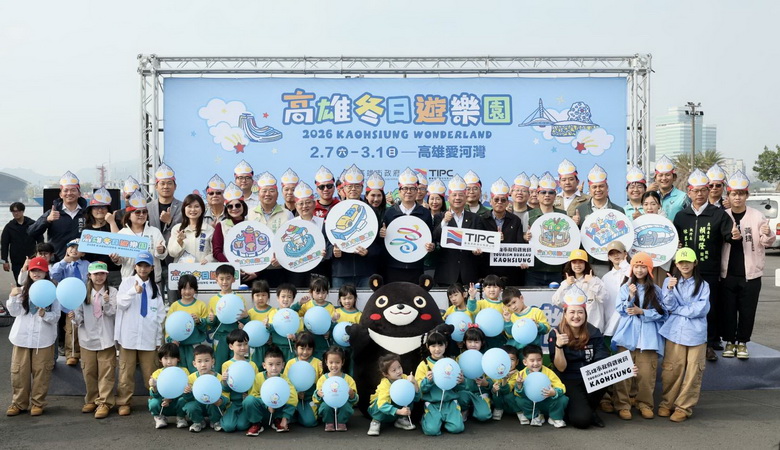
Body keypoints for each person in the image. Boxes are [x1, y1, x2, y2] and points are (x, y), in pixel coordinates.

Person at [673, 169, 733, 361]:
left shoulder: (719, 215)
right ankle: (683, 342)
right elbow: (674, 240)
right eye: (695, 190)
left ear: (708, 191)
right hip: (685, 270)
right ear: (689, 192)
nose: (699, 194)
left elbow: (729, 236)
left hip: (709, 269)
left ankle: (708, 344)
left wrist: (735, 236)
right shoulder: (681, 216)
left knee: (709, 308)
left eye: (703, 190)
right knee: (684, 305)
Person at [720, 171, 775, 359]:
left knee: (747, 310)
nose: (737, 197)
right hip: (727, 272)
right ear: (728, 195)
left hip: (751, 273)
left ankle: (742, 342)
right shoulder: (723, 216)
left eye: (741, 194)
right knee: (728, 309)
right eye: (734, 194)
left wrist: (767, 233)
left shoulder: (757, 216)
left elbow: (766, 242)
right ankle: (729, 341)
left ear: (747, 195)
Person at [611, 252, 666, 420]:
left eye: (643, 266)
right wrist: (631, 297)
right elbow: (622, 310)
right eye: (636, 266)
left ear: (649, 269)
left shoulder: (656, 290)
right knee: (623, 373)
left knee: (646, 375)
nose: (639, 270)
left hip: (649, 339)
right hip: (627, 336)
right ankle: (623, 405)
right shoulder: (625, 287)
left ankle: (645, 404)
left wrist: (642, 311)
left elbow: (663, 314)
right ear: (632, 268)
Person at [659, 248, 710, 423]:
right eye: (681, 262)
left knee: (693, 372)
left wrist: (678, 310)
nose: (684, 265)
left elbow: (701, 309)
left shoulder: (703, 285)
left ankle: (683, 407)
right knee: (671, 369)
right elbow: (667, 305)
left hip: (696, 333)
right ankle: (667, 403)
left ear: (695, 263)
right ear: (676, 264)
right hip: (675, 331)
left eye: (688, 261)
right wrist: (670, 289)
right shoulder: (669, 281)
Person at [548, 285, 610, 429]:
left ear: (585, 314)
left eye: (580, 312)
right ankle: (583, 411)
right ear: (565, 314)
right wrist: (558, 346)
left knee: (607, 376)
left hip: (589, 376)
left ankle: (589, 410)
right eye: (572, 312)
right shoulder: (556, 333)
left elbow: (602, 358)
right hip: (568, 378)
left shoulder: (594, 332)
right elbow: (561, 368)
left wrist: (623, 369)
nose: (576, 316)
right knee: (581, 421)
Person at [5, 257, 61, 417]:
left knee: (41, 372)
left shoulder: (53, 292)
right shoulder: (23, 290)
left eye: (40, 271)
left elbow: (56, 317)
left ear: (46, 272)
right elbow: (15, 313)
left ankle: (38, 403)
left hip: (43, 339)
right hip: (22, 338)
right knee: (19, 372)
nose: (37, 273)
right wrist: (12, 296)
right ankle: (18, 403)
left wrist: (45, 314)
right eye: (33, 270)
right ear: (29, 273)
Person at [115, 251, 166, 416]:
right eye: (140, 265)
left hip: (148, 337)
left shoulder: (155, 288)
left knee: (151, 372)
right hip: (128, 337)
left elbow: (160, 316)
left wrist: (158, 340)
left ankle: (156, 400)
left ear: (152, 268)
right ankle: (124, 402)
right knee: (125, 372)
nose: (143, 269)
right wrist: (133, 291)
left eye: (146, 266)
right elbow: (120, 304)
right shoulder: (127, 283)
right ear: (135, 266)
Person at [70, 261, 117, 419]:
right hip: (87, 339)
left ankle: (104, 402)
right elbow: (79, 318)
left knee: (106, 372)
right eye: (96, 274)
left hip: (106, 338)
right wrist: (74, 317)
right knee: (89, 371)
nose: (99, 277)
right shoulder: (82, 293)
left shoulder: (112, 291)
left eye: (102, 274)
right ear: (89, 275)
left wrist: (106, 302)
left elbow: (112, 313)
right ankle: (91, 399)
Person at [382, 168, 434, 283]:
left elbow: (430, 237)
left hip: (416, 266)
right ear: (399, 191)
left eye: (412, 188)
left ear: (417, 191)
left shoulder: (425, 213)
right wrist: (382, 234)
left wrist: (431, 246)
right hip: (393, 266)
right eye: (405, 188)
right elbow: (383, 240)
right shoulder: (389, 212)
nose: (408, 192)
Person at [432, 174, 484, 287]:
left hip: (469, 273)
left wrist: (478, 251)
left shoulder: (475, 218)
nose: (457, 198)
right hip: (447, 273)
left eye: (461, 195)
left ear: (465, 197)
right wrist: (444, 222)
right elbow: (434, 237)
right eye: (454, 195)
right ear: (448, 198)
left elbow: (480, 242)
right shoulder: (439, 217)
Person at [575, 164, 626, 277]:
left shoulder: (618, 210)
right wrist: (575, 225)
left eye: (601, 186)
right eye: (594, 187)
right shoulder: (580, 210)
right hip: (589, 262)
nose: (598, 190)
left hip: (612, 263)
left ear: (607, 188)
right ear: (589, 189)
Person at [415, 331, 465, 436]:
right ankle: (428, 419)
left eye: (440, 345)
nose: (437, 349)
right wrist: (427, 381)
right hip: (432, 403)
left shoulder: (451, 363)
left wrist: (461, 381)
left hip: (450, 402)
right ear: (428, 346)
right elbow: (420, 389)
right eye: (433, 346)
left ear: (445, 345)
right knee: (431, 431)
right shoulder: (424, 365)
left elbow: (459, 387)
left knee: (457, 428)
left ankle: (445, 419)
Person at [28, 171, 87, 259]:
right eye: (66, 190)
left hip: (81, 261)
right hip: (57, 261)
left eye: (73, 190)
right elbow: (31, 232)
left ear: (79, 194)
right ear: (61, 194)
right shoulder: (52, 213)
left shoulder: (87, 214)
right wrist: (47, 220)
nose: (69, 193)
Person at [248, 171, 293, 286]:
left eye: (272, 191)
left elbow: (291, 240)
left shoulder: (287, 214)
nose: (267, 194)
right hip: (255, 268)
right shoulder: (249, 214)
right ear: (258, 194)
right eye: (264, 191)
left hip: (279, 268)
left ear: (277, 194)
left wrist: (282, 258)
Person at [243, 344, 298, 435]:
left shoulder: (285, 379)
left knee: (289, 398)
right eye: (270, 364)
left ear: (283, 365)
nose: (274, 368)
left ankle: (278, 420)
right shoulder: (258, 377)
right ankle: (256, 423)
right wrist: (267, 404)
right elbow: (253, 394)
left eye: (278, 364)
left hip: (278, 410)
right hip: (264, 410)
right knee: (249, 400)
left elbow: (293, 397)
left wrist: (285, 418)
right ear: (264, 365)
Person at [117, 190, 168, 287]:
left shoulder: (154, 231)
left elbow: (162, 255)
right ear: (129, 215)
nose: (141, 215)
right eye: (137, 212)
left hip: (153, 281)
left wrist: (161, 250)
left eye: (144, 212)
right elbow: (120, 261)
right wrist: (116, 259)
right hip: (129, 281)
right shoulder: (122, 234)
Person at [50, 238, 88, 366]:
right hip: (69, 302)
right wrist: (63, 262)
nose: (74, 250)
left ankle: (85, 352)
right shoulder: (63, 265)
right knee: (71, 328)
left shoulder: (87, 264)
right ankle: (72, 354)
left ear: (83, 253)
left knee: (86, 327)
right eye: (71, 247)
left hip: (85, 301)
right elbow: (54, 275)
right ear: (67, 250)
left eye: (78, 248)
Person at [524, 172, 566, 286]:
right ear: (537, 195)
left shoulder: (563, 215)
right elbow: (521, 239)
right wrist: (525, 237)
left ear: (555, 196)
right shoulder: (528, 215)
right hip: (534, 269)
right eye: (543, 192)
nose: (547, 195)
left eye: (551, 192)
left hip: (556, 269)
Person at [481, 178, 525, 285]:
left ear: (507, 203)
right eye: (496, 200)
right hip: (487, 270)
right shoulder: (481, 219)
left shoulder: (515, 220)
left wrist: (523, 260)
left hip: (510, 271)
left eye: (503, 200)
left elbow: (520, 244)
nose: (499, 202)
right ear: (490, 201)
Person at [552, 249, 607, 332]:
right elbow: (556, 301)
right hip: (571, 329)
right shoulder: (567, 282)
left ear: (586, 264)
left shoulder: (595, 280)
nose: (577, 265)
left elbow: (604, 298)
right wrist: (566, 284)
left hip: (592, 329)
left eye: (581, 262)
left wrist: (592, 282)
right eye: (574, 262)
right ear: (570, 264)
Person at [211, 183, 256, 285]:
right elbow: (217, 252)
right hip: (229, 275)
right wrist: (233, 267)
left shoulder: (252, 224)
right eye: (230, 206)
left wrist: (256, 272)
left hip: (252, 271)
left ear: (243, 206)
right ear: (226, 209)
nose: (234, 208)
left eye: (238, 205)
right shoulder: (221, 225)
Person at [206, 264, 248, 370]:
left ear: (233, 279)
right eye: (221, 279)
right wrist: (211, 320)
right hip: (219, 337)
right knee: (219, 363)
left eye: (228, 278)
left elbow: (244, 318)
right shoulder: (213, 299)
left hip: (236, 337)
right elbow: (210, 322)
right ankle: (220, 380)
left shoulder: (239, 298)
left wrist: (245, 318)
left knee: (236, 363)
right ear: (216, 279)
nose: (224, 282)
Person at [515, 344, 569, 428]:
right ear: (525, 362)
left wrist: (554, 392)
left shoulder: (548, 372)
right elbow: (518, 394)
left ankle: (555, 417)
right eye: (532, 361)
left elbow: (560, 386)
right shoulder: (521, 374)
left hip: (547, 401)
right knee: (519, 400)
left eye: (539, 360)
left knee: (563, 399)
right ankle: (535, 416)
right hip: (532, 403)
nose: (536, 363)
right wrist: (519, 384)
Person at [367, 353, 420, 436]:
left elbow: (416, 398)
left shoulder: (405, 378)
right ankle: (376, 421)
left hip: (395, 413)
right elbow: (382, 405)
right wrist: (400, 411)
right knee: (379, 402)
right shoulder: (385, 384)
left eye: (399, 367)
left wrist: (415, 383)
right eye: (394, 370)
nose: (398, 371)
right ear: (385, 374)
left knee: (407, 394)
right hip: (380, 410)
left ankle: (401, 419)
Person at [165, 274, 208, 373]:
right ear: (179, 289)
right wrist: (171, 340)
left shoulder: (200, 305)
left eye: (190, 288)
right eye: (184, 288)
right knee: (180, 372)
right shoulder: (175, 306)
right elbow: (168, 326)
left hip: (194, 346)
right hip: (178, 347)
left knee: (195, 371)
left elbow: (206, 328)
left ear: (195, 289)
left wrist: (199, 321)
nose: (187, 292)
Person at [79, 188, 122, 287]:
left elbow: (120, 243)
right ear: (91, 210)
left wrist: (112, 222)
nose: (100, 210)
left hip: (114, 271)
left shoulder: (117, 224)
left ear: (108, 209)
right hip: (94, 273)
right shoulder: (86, 229)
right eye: (96, 207)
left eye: (103, 207)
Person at [181, 344, 228, 432]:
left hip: (213, 405)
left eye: (207, 361)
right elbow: (188, 399)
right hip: (198, 406)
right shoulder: (190, 378)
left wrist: (221, 400)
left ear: (212, 361)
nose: (203, 365)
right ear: (194, 364)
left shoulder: (219, 378)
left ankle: (215, 421)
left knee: (215, 402)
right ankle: (198, 422)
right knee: (190, 406)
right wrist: (187, 393)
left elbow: (226, 395)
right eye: (199, 361)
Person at [220, 329, 259, 433]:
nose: (243, 347)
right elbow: (225, 389)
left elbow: (256, 385)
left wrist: (249, 395)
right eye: (239, 344)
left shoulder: (252, 365)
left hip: (246, 403)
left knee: (242, 426)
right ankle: (225, 415)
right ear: (231, 346)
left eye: (245, 344)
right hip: (233, 403)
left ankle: (251, 418)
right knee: (228, 427)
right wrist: (224, 381)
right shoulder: (226, 365)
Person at [313, 346, 359, 431]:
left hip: (343, 404)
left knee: (346, 407)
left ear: (342, 362)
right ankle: (329, 422)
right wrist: (318, 394)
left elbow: (355, 399)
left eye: (337, 362)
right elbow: (316, 397)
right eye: (331, 362)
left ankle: (341, 422)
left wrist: (352, 395)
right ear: (326, 362)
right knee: (325, 407)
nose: (334, 365)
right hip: (328, 403)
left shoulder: (348, 379)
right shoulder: (323, 379)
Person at [1, 202, 43, 288]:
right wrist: (5, 261)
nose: (16, 213)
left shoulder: (32, 224)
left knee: (35, 281)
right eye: (13, 211)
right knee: (20, 282)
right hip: (16, 260)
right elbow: (4, 244)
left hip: (32, 257)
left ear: (23, 211)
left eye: (18, 211)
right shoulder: (9, 227)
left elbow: (40, 241)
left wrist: (41, 255)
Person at [148, 343, 189, 429]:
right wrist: (154, 386)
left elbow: (186, 390)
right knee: (153, 403)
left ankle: (180, 417)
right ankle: (159, 417)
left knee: (183, 400)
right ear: (160, 359)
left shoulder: (183, 371)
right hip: (163, 401)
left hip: (177, 401)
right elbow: (154, 395)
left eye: (172, 358)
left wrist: (170, 399)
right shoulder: (157, 373)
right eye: (166, 358)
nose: (169, 362)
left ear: (178, 358)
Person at [167, 193, 216, 266]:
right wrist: (179, 240)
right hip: (182, 270)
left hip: (203, 269)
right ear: (184, 209)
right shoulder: (177, 229)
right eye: (189, 206)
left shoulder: (209, 230)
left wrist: (208, 259)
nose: (193, 210)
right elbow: (172, 253)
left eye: (196, 206)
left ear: (202, 209)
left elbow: (215, 252)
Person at [456, 327, 492, 422]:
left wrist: (486, 384)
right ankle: (465, 409)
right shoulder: (460, 358)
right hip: (464, 392)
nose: (473, 345)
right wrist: (462, 382)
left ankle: (477, 408)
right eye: (470, 341)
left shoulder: (485, 359)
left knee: (484, 416)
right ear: (465, 342)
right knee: (461, 397)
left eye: (476, 342)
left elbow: (492, 379)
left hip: (480, 393)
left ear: (482, 343)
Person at [296, 277, 335, 359]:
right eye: (317, 292)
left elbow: (333, 323)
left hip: (323, 344)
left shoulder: (330, 307)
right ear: (311, 292)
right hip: (308, 343)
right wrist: (299, 304)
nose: (321, 296)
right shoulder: (307, 304)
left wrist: (329, 332)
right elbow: (295, 314)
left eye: (323, 292)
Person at [146, 163, 183, 247]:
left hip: (175, 251)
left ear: (175, 186)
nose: (166, 186)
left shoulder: (183, 207)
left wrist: (170, 222)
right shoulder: (148, 207)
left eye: (169, 183)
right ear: (156, 186)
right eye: (162, 183)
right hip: (153, 251)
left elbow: (186, 231)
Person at [467, 274, 507, 349]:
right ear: (484, 289)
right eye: (489, 287)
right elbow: (472, 310)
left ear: (500, 289)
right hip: (483, 338)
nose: (492, 290)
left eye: (495, 287)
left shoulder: (504, 305)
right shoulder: (481, 303)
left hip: (499, 338)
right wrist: (472, 297)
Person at [648, 156, 689, 220]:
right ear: (655, 178)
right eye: (660, 175)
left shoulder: (683, 197)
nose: (664, 178)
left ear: (674, 177)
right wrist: (647, 193)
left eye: (667, 175)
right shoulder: (651, 197)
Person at [268, 283, 301, 362]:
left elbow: (300, 332)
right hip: (276, 348)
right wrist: (267, 326)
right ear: (277, 298)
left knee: (290, 367)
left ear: (293, 299)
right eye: (283, 296)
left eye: (289, 297)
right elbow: (271, 328)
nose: (286, 299)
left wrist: (295, 337)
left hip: (291, 349)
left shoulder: (295, 315)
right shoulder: (273, 313)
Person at [247, 279, 274, 368]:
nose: (260, 298)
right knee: (254, 368)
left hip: (269, 347)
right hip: (254, 348)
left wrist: (272, 338)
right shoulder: (250, 313)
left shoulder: (273, 312)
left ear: (268, 296)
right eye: (257, 295)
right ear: (252, 296)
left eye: (263, 295)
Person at [489, 345, 521, 421]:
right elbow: (492, 386)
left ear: (517, 362)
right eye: (505, 359)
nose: (508, 363)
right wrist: (494, 390)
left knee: (509, 395)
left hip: (512, 404)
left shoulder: (517, 374)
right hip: (500, 403)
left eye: (512, 360)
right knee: (496, 393)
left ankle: (519, 412)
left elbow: (506, 390)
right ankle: (498, 409)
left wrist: (504, 379)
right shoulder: (496, 373)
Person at [510, 173, 531, 237]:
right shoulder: (505, 213)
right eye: (517, 190)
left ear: (529, 195)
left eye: (524, 191)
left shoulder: (533, 214)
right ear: (511, 193)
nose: (519, 193)